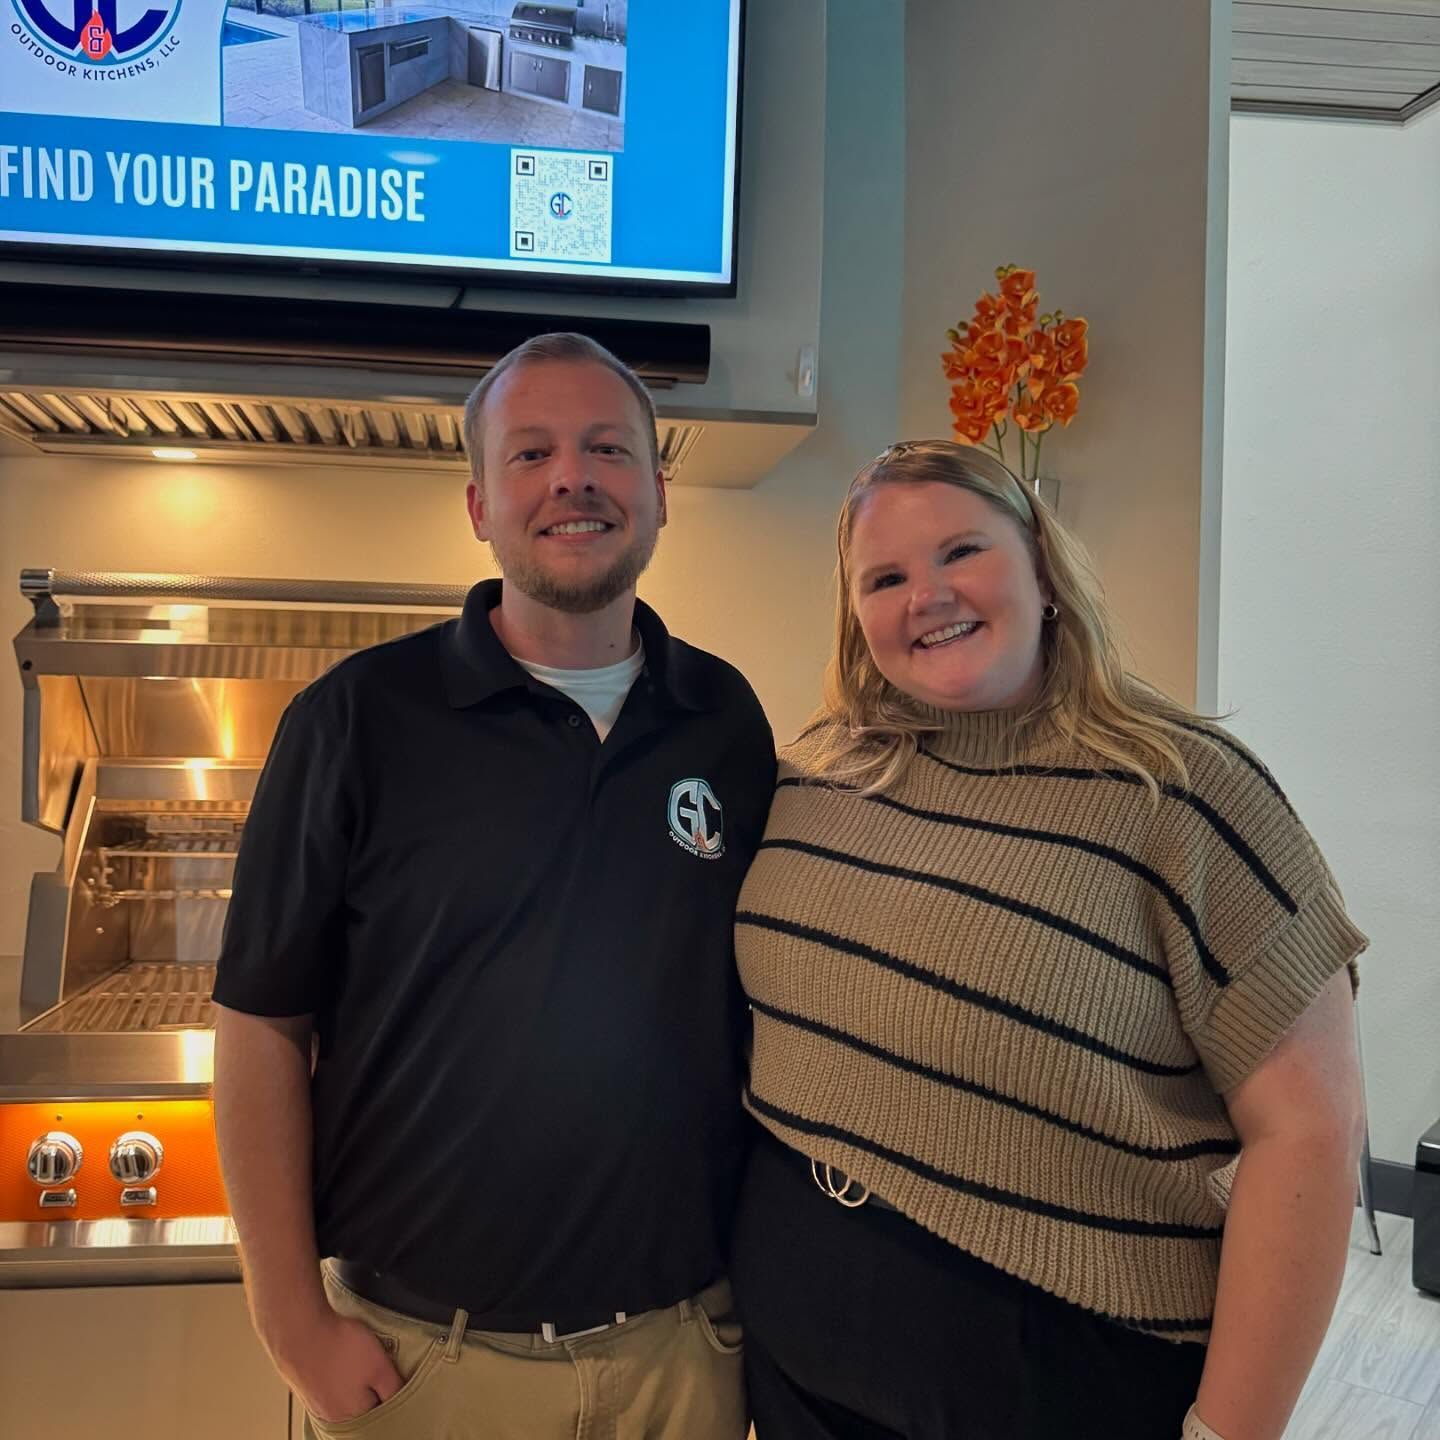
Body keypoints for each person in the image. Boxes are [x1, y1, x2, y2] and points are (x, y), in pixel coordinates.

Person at [730, 440, 1367, 1440]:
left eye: (962, 552)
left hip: (1062, 1381)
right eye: (886, 577)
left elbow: (1313, 1135)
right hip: (797, 1369)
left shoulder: (1182, 792)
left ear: (1041, 565)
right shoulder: (816, 775)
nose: (925, 596)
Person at [213, 332, 775, 1440]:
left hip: (682, 1361)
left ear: (660, 496)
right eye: (532, 454)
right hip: (427, 1365)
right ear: (479, 502)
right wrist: (288, 1318)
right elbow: (260, 1026)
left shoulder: (725, 720)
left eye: (609, 449)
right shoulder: (357, 720)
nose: (574, 477)